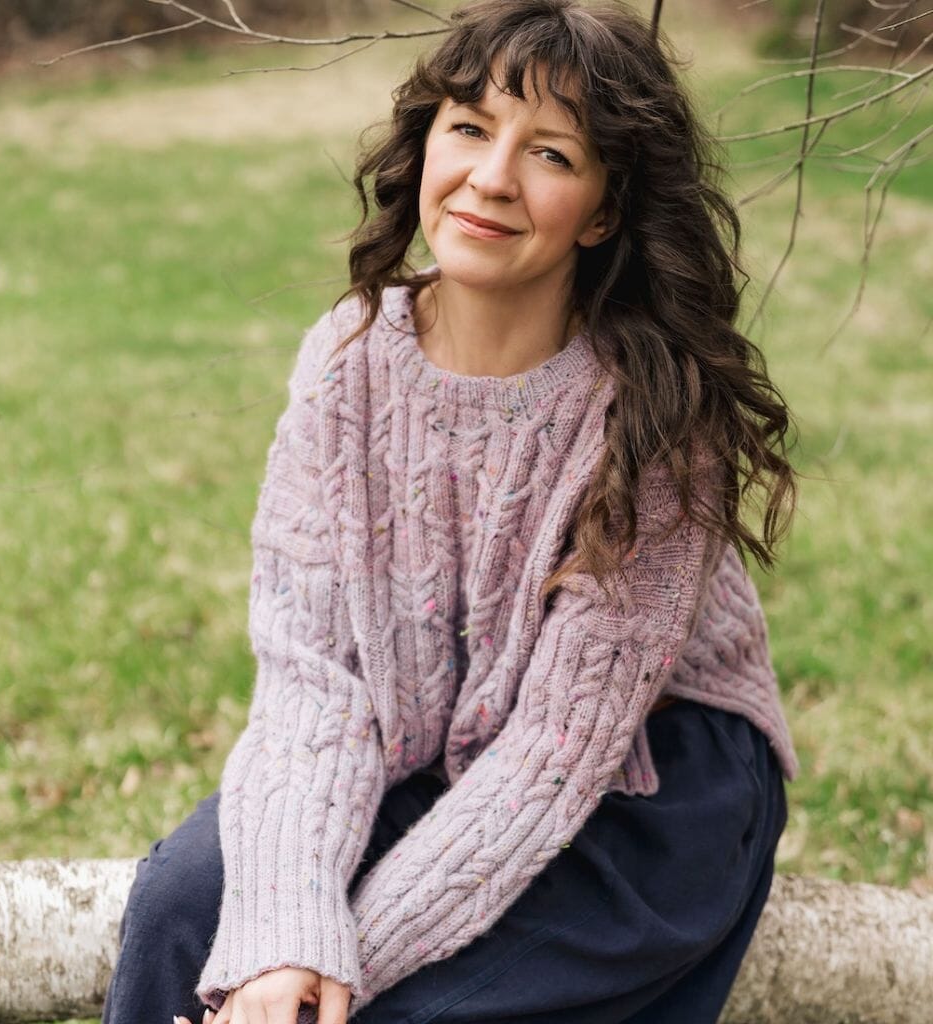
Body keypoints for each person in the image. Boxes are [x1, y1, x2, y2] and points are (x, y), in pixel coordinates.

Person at [101, 1, 800, 1022]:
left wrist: (332, 979)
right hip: (435, 745)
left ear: (603, 212)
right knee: (182, 910)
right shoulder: (348, 360)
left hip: (641, 783)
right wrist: (285, 932)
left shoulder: (655, 409)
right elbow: (314, 680)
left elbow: (557, 750)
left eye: (551, 153)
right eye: (470, 127)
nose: (492, 177)